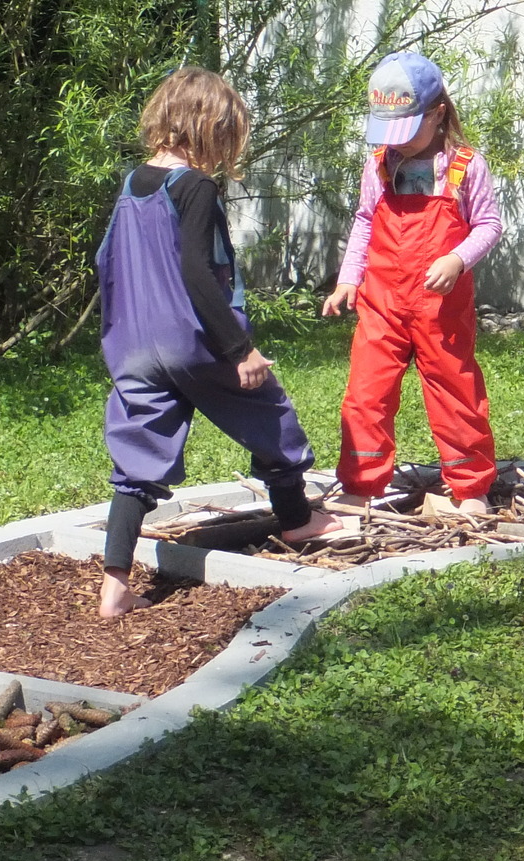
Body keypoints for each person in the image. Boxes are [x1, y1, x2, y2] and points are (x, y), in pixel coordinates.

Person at [97, 67, 342, 617]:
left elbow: (108, 262)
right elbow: (196, 272)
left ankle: (114, 585)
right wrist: (240, 350)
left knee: (138, 460)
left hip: (134, 345)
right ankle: (299, 520)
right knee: (269, 413)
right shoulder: (196, 186)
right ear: (205, 126)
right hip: (192, 340)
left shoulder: (133, 182)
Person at [321, 51, 503, 515]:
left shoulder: (464, 166)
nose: (397, 145)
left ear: (438, 113)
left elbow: (489, 226)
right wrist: (348, 280)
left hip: (440, 309)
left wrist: (458, 259)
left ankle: (470, 486)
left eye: (407, 131)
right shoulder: (380, 164)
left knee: (454, 389)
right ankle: (361, 486)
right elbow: (365, 221)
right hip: (381, 302)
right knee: (366, 393)